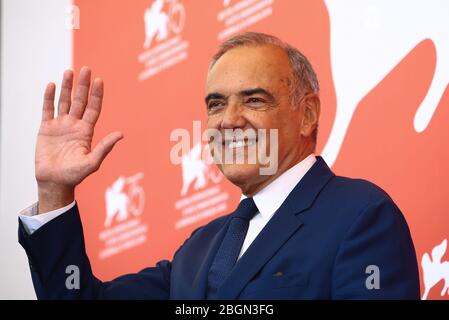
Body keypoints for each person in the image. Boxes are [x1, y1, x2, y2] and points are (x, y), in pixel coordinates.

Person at [18, 32, 420, 299]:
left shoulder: (361, 216)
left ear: (307, 114)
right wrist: (55, 192)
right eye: (215, 104)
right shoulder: (199, 248)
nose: (228, 120)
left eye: (254, 99)